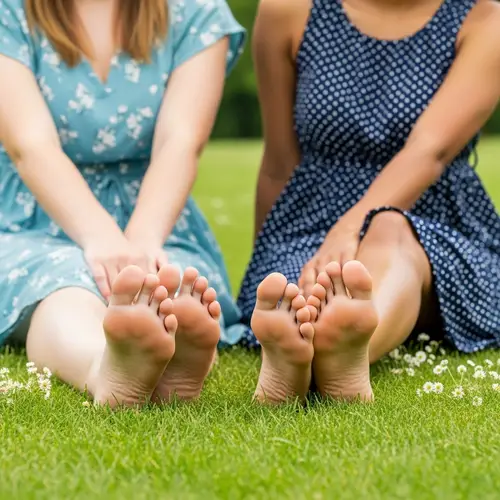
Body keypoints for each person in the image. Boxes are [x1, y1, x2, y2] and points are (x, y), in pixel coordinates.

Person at [237, 0, 500, 404]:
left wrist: (351, 226)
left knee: (389, 228)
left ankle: (332, 353)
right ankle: (313, 343)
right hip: (310, 222)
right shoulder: (287, 10)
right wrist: (263, 271)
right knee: (298, 290)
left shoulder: (484, 16)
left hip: (434, 220)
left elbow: (429, 150)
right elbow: (279, 162)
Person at [0, 0, 245, 407]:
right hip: (32, 217)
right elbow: (30, 145)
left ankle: (171, 357)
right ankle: (104, 367)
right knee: (61, 288)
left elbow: (180, 142)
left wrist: (144, 241)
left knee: (177, 287)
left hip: (155, 213)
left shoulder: (195, 10)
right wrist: (101, 238)